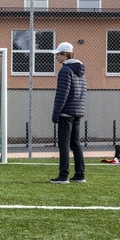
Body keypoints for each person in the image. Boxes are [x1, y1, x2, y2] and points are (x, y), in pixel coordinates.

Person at [50, 42, 87, 184]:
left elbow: (62, 94)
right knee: (75, 144)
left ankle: (63, 176)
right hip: (77, 112)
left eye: (58, 55)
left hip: (66, 113)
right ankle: (80, 175)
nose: (56, 57)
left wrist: (55, 113)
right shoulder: (81, 71)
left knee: (64, 144)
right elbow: (83, 92)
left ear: (65, 55)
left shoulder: (65, 71)